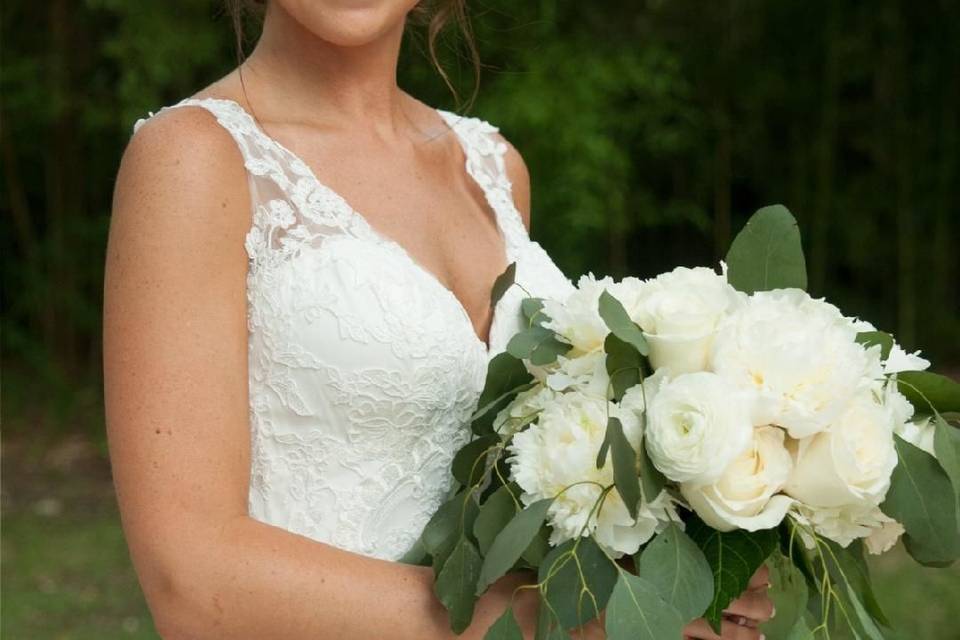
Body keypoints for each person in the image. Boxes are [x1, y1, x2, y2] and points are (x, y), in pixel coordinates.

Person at [103, 1, 774, 637]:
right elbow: (189, 582)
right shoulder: (192, 159)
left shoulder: (492, 167)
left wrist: (681, 555)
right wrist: (564, 618)